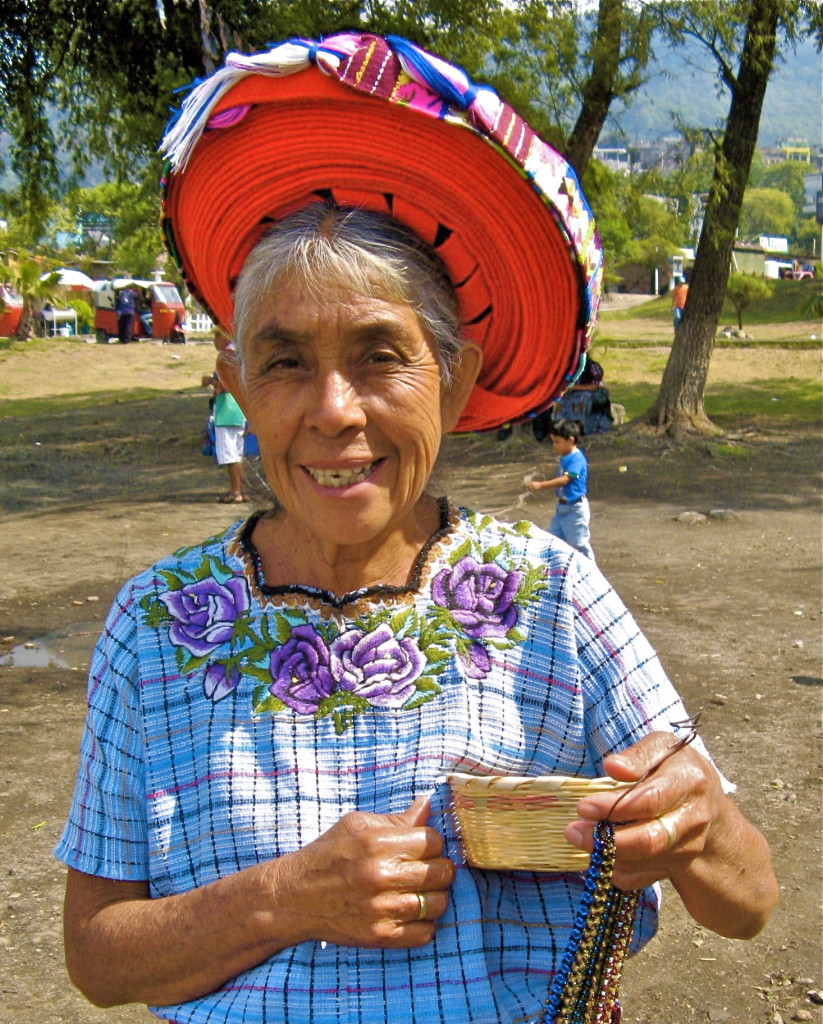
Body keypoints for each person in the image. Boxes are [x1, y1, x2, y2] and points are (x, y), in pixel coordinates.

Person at [55, 33, 776, 1024]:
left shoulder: (548, 594)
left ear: (458, 379)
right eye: (284, 362)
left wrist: (699, 826)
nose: (334, 410)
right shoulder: (154, 625)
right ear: (234, 391)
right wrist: (287, 895)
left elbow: (746, 902)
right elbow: (97, 954)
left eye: (378, 354)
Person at [527, 418, 594, 561]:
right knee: (551, 541)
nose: (554, 446)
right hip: (562, 509)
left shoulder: (577, 458)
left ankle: (592, 573)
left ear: (570, 441)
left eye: (557, 442)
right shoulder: (566, 456)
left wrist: (541, 485)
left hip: (575, 510)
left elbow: (565, 479)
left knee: (579, 544)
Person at [211, 368, 249, 503]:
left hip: (226, 413)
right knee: (238, 454)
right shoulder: (240, 358)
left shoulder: (227, 358)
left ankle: (235, 492)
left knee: (229, 456)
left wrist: (211, 382)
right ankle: (243, 490)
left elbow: (224, 384)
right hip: (238, 411)